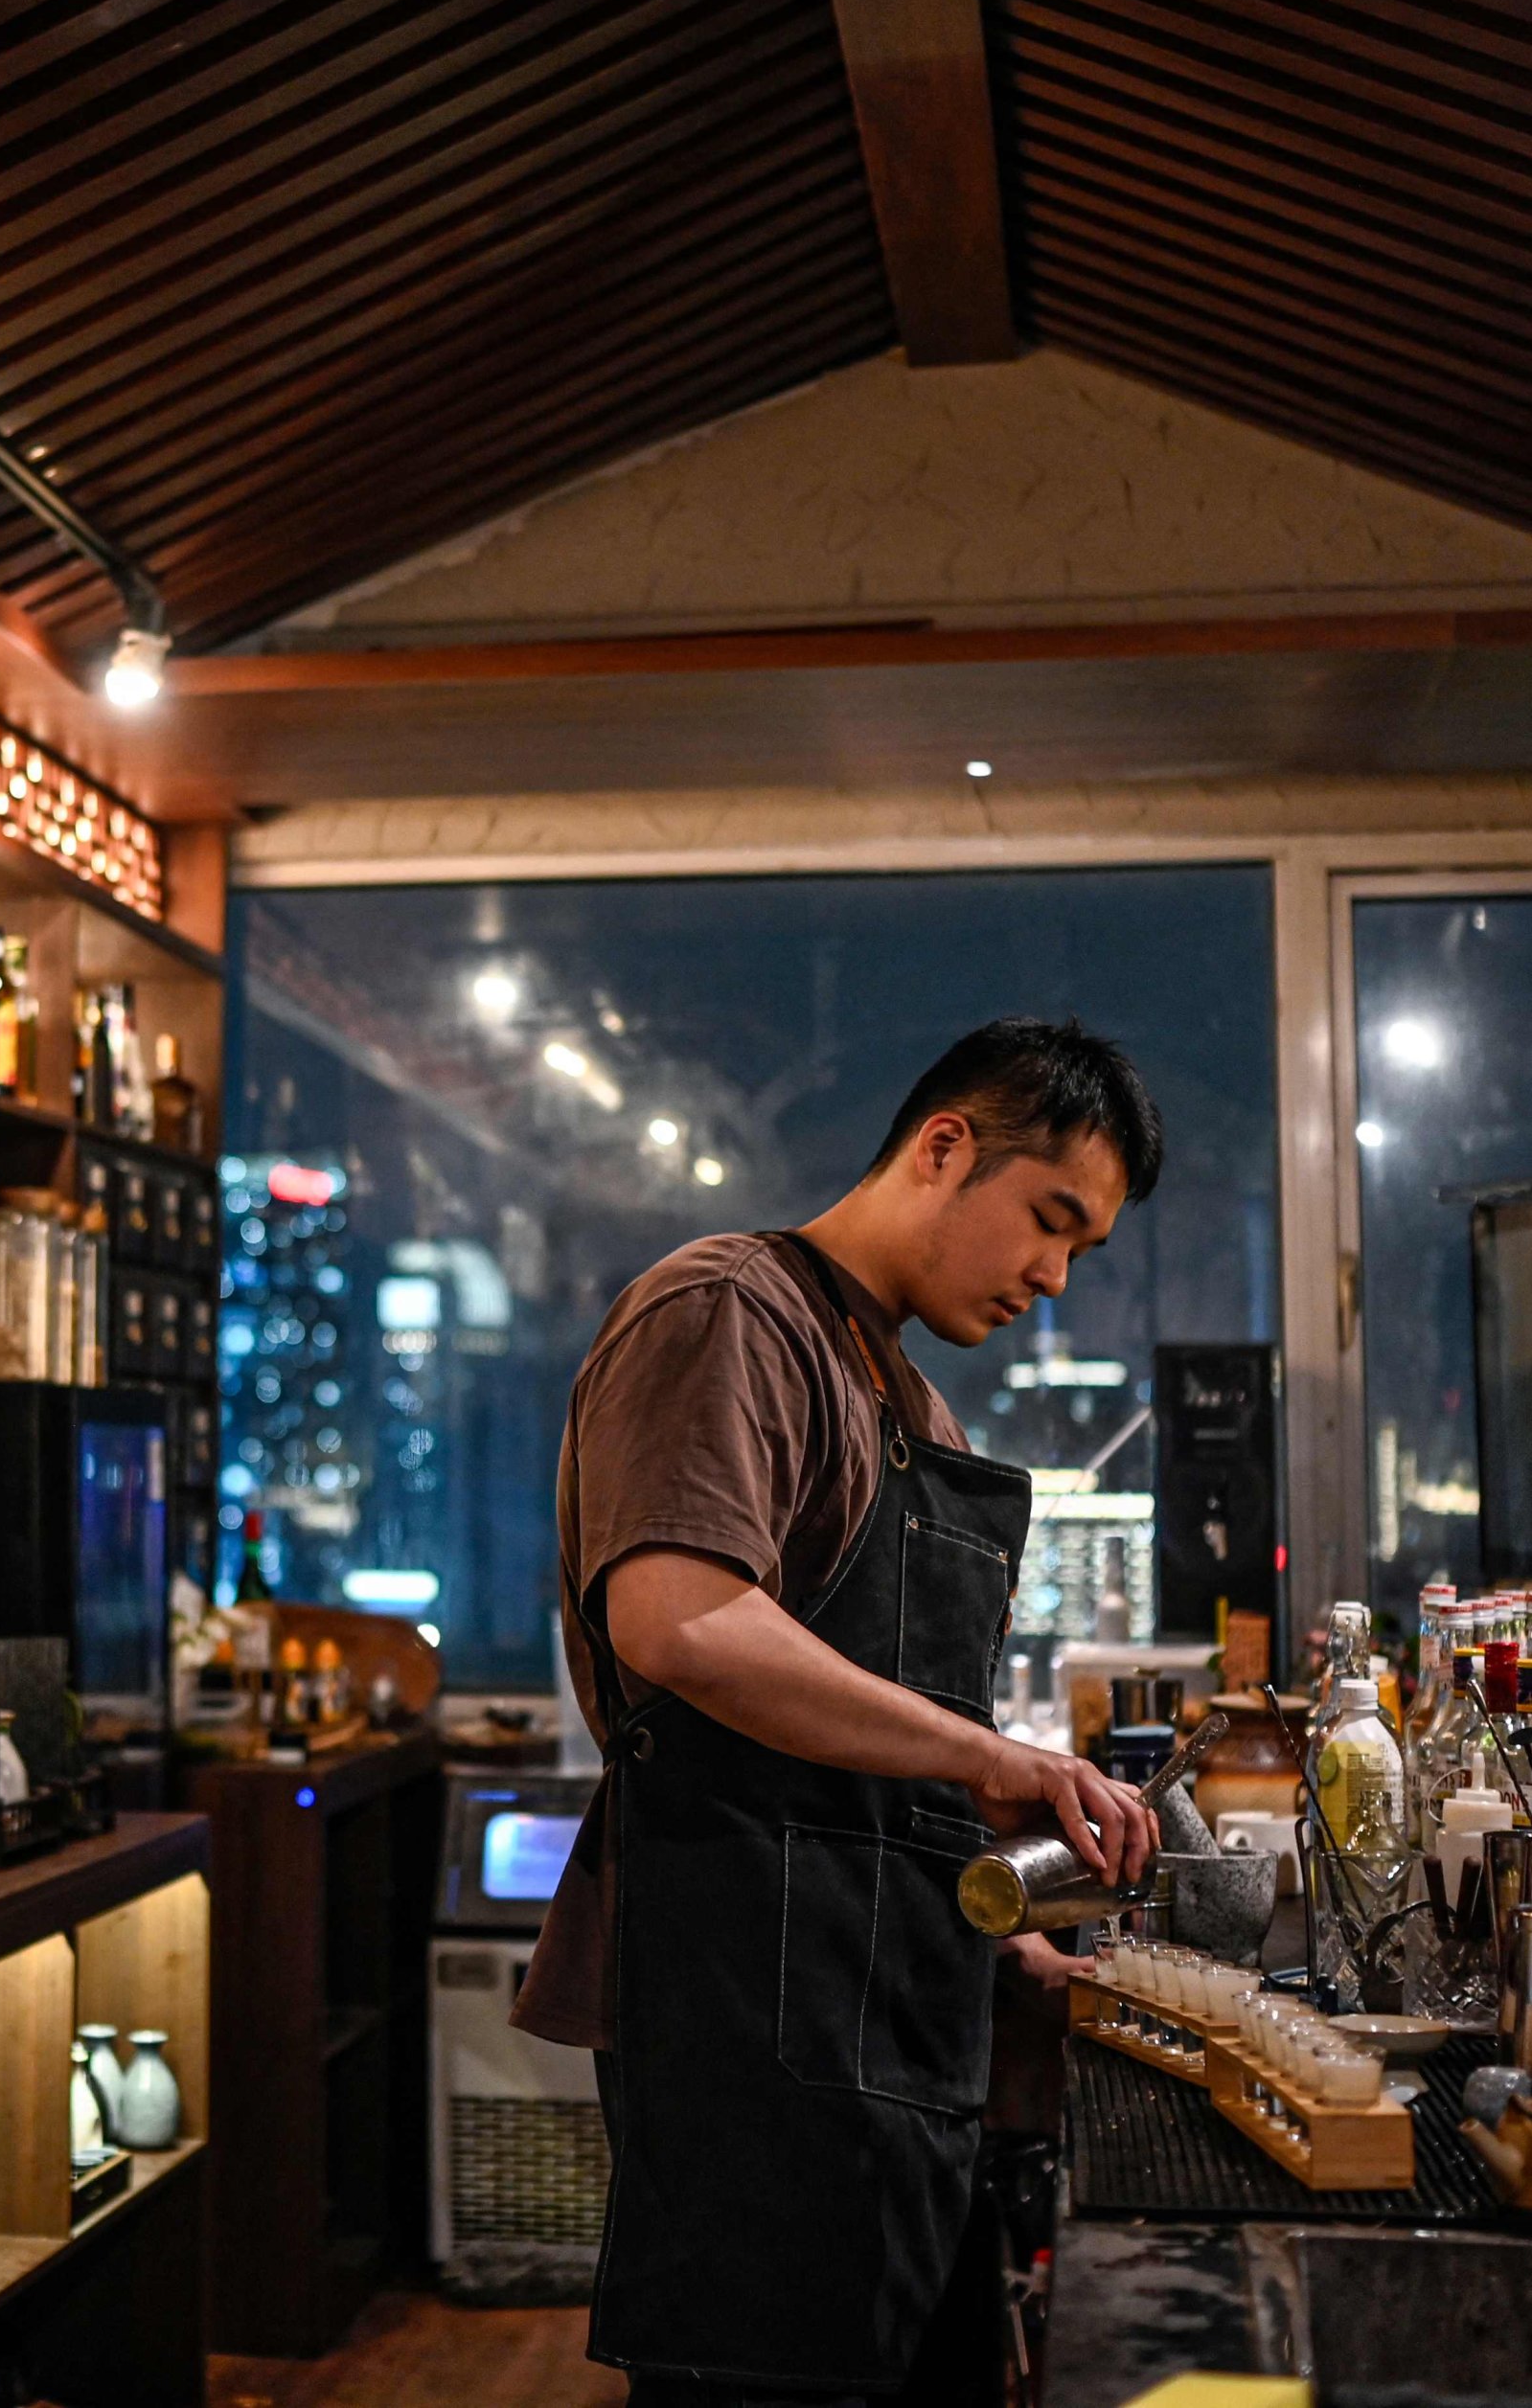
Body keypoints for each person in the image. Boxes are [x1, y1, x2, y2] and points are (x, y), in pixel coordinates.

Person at [517, 1016, 1167, 2404]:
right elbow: (682, 1618)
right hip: (747, 2014)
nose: (1053, 1276)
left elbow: (888, 1766)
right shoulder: (730, 1310)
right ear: (945, 1147)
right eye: (1049, 1221)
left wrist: (1000, 1947)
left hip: (886, 2020)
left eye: (1085, 1251)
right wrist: (994, 1755)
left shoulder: (908, 1397)